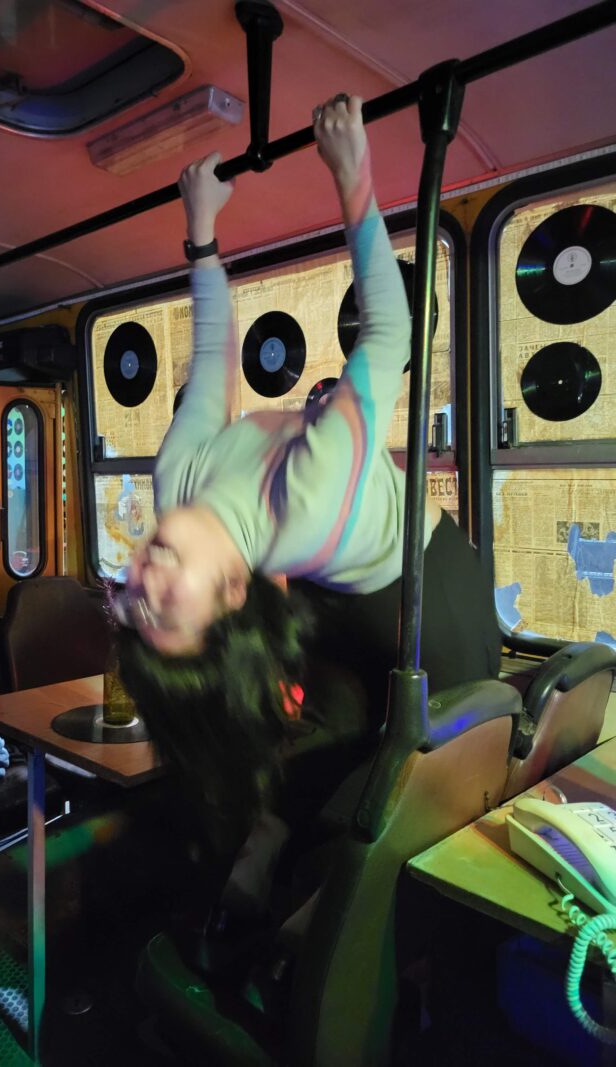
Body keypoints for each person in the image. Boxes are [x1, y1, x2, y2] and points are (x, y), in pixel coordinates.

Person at [114, 94, 500, 858]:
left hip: (334, 587)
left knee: (346, 741)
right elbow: (392, 331)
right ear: (230, 595)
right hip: (426, 581)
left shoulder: (176, 483)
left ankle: (265, 858)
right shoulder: (313, 494)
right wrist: (352, 170)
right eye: (162, 613)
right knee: (439, 781)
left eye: (126, 604)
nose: (134, 586)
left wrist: (201, 230)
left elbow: (217, 362)